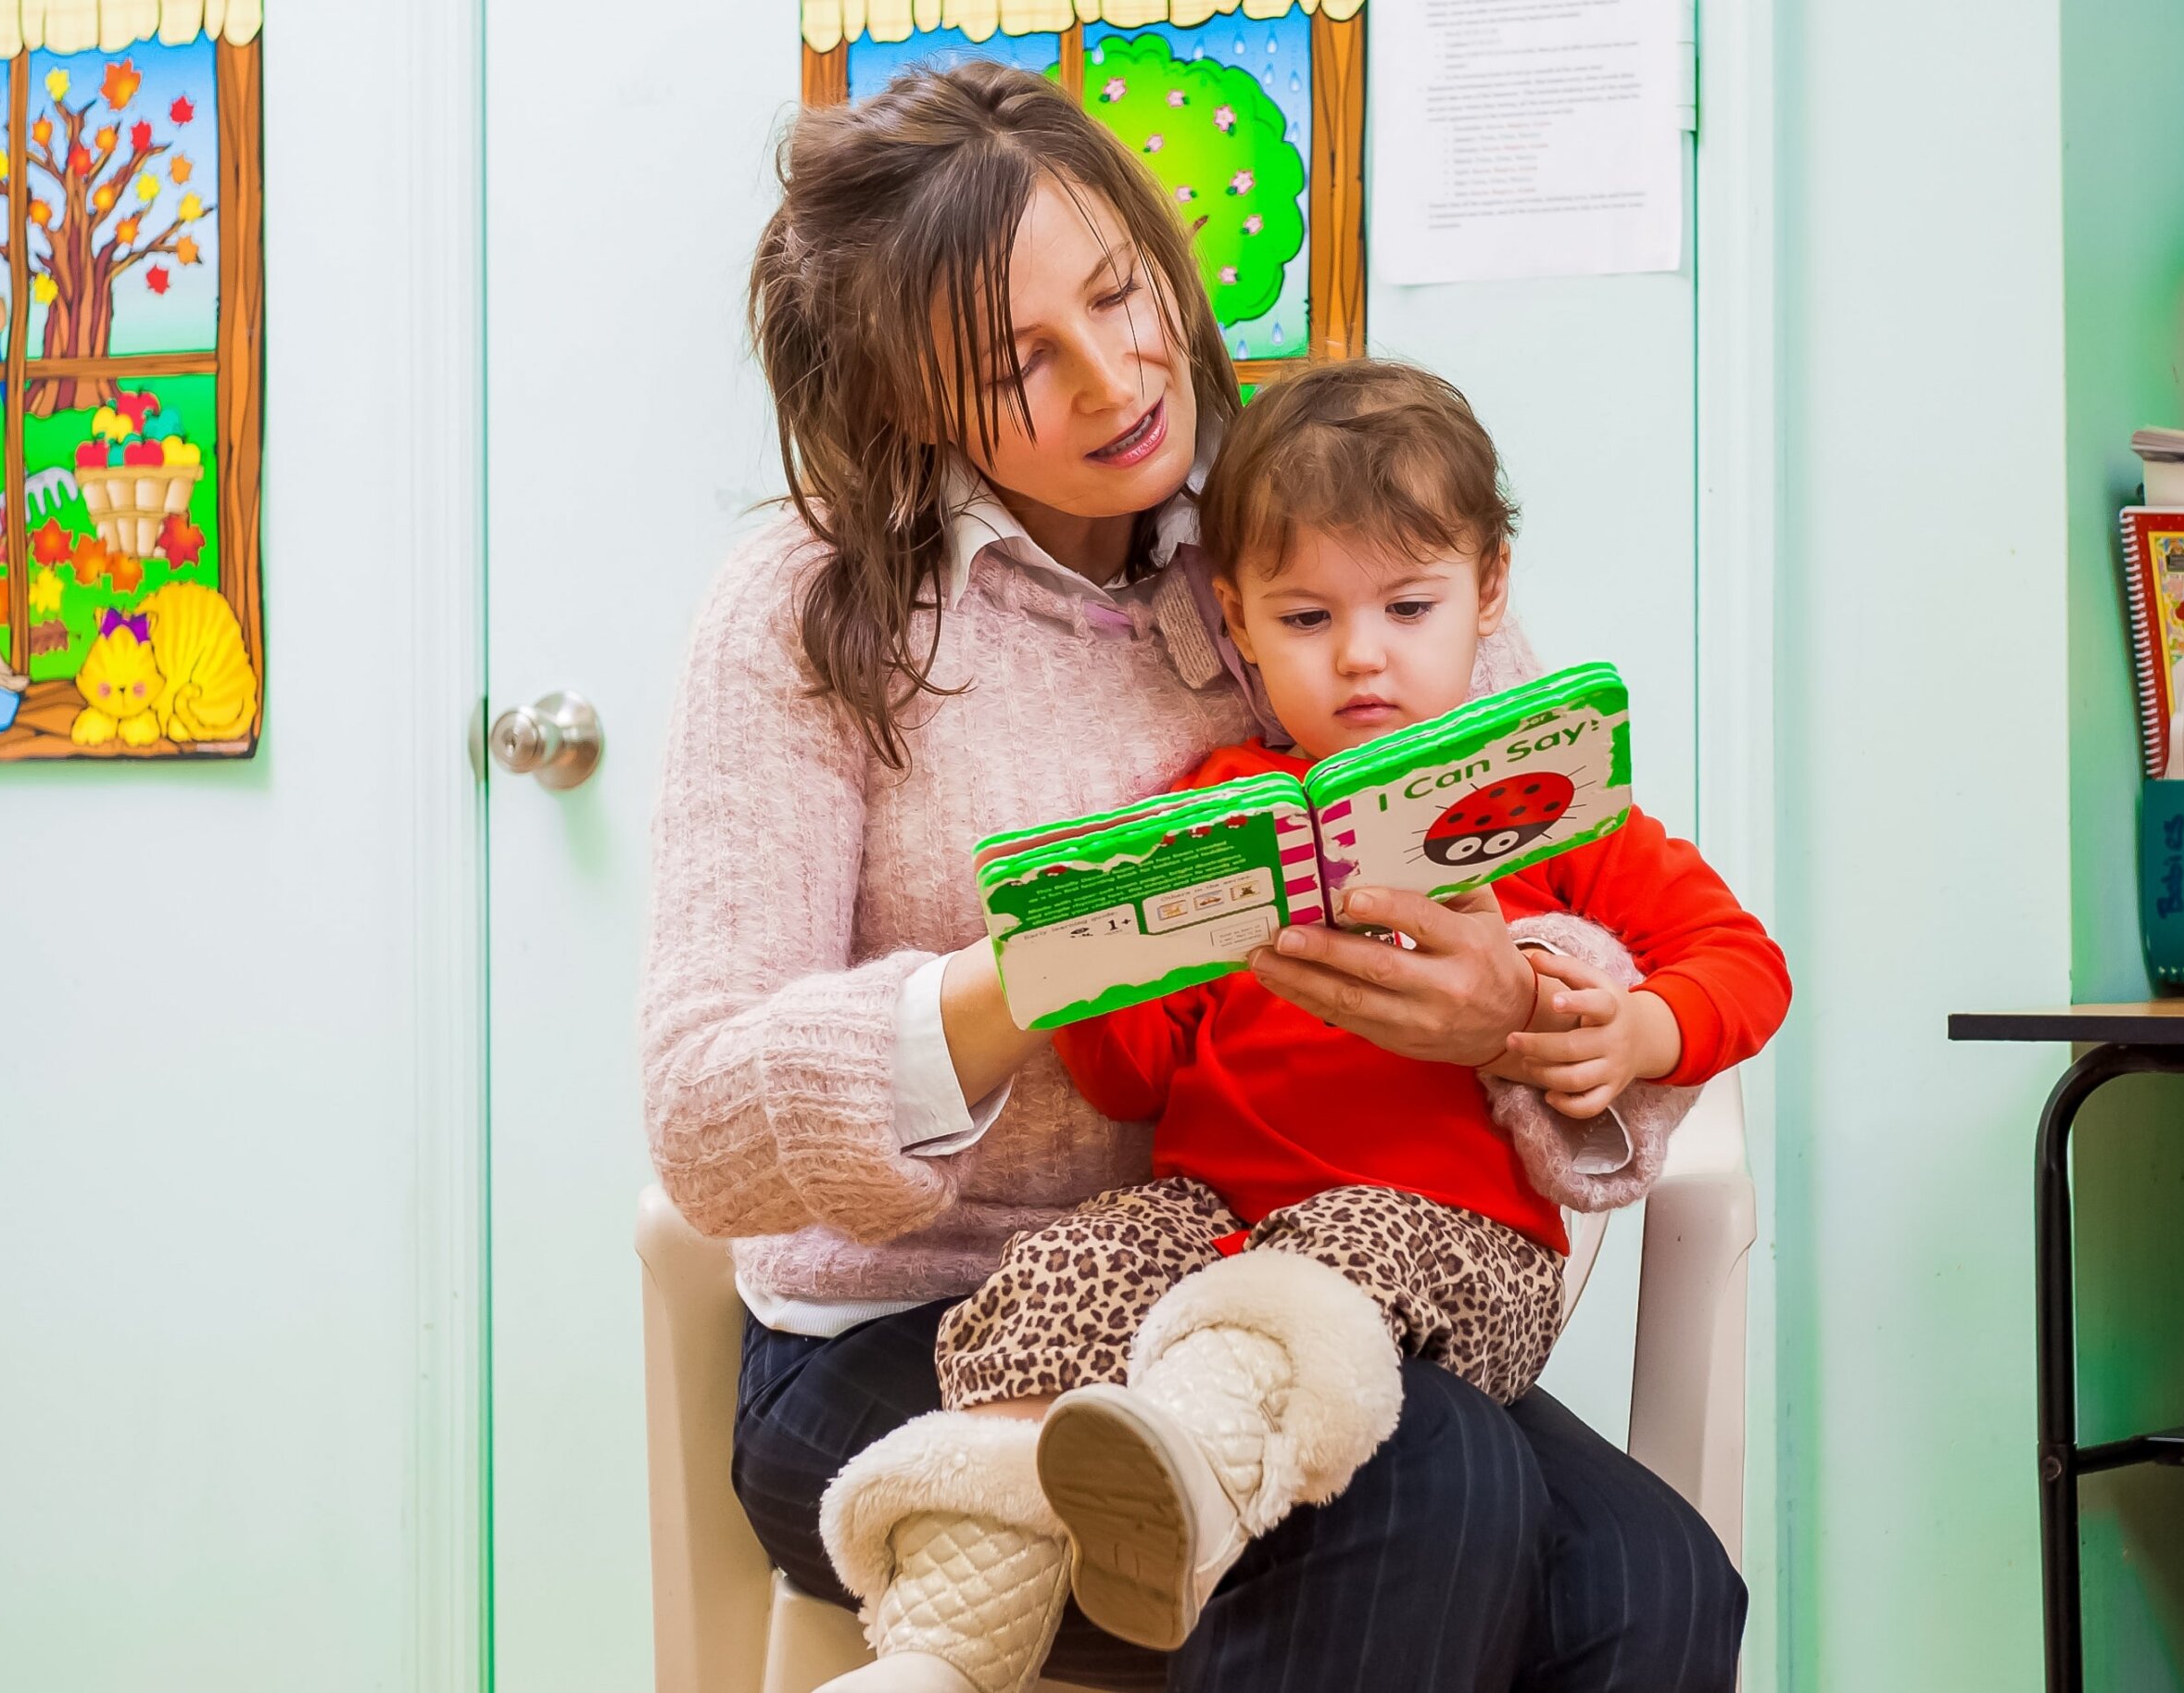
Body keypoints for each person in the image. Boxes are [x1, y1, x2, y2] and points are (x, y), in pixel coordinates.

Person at [644, 60, 1751, 1693]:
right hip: (928, 1338)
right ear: (909, 402)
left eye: (1121, 293)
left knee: (1657, 1586)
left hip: (1311, 1278)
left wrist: (1515, 1013)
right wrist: (1024, 982)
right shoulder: (808, 618)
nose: (1112, 383)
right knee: (1426, 1482)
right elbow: (701, 1120)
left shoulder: (1315, 516)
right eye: (1023, 362)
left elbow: (1577, 876)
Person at [812, 361, 1791, 1692]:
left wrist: (1639, 1031)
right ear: (1239, 622)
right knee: (1067, 1272)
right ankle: (943, 1644)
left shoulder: (1550, 808)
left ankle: (1194, 1500)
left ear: (1488, 593)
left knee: (1326, 1288)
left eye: (1408, 605)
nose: (1363, 653)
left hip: (1443, 1251)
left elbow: (1740, 961)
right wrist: (1111, 957)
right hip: (1216, 1225)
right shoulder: (1228, 812)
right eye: (1307, 615)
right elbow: (1127, 1072)